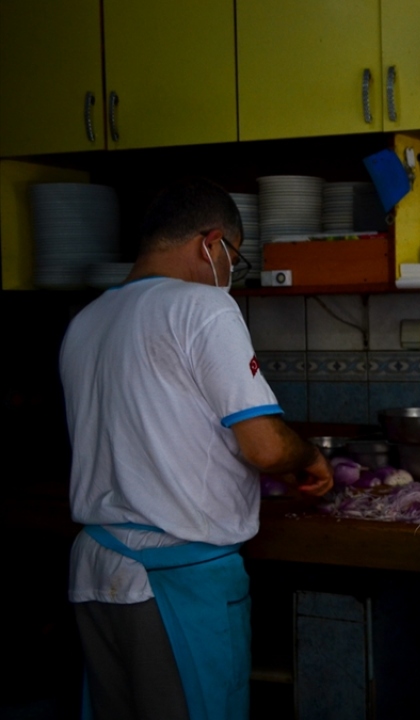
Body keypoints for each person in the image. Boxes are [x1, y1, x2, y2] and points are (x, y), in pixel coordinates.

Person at [60, 178, 333, 720]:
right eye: (234, 258)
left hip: (95, 571)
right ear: (211, 245)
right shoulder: (202, 306)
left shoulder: (85, 322)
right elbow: (263, 447)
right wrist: (309, 458)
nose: (231, 274)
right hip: (178, 580)